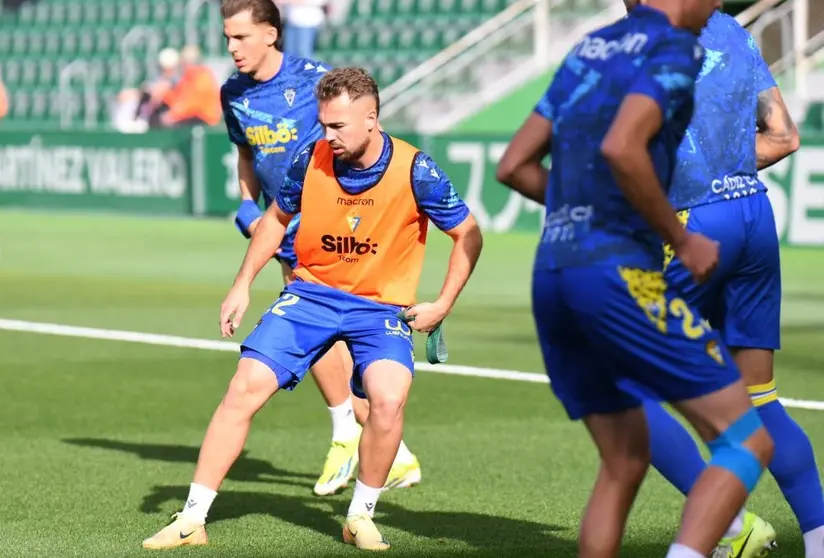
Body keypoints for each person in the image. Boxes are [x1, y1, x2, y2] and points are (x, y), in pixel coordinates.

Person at [142, 66, 482, 552]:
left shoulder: (416, 169)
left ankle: (359, 517)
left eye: (337, 126)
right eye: (323, 124)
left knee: (387, 399)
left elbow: (468, 233)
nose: (327, 135)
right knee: (244, 387)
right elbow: (276, 220)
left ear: (372, 118)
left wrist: (443, 304)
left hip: (378, 309)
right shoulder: (312, 157)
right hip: (311, 296)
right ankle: (191, 520)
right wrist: (242, 285)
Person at [496, 1, 776, 556]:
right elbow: (623, 147)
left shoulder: (588, 48)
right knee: (747, 440)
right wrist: (681, 237)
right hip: (619, 272)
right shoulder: (674, 49)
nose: (717, 5)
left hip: (552, 274)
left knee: (623, 463)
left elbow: (513, 166)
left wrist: (588, 208)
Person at [621, 6, 822, 558]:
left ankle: (727, 532)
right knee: (760, 398)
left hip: (694, 225)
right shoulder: (730, 29)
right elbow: (783, 137)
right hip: (753, 217)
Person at [218, 0, 421, 497]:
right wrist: (247, 203)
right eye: (227, 37)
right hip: (281, 221)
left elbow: (348, 142)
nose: (231, 48)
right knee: (322, 330)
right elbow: (247, 153)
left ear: (270, 35)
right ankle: (383, 447)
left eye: (240, 37)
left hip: (326, 224)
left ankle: (352, 434)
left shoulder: (313, 81)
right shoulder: (233, 93)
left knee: (325, 324)